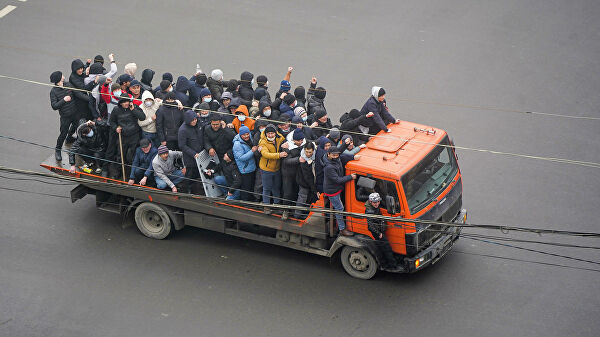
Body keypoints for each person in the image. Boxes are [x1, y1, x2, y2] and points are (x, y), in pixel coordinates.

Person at [322, 146, 357, 236]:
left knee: (339, 207)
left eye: (337, 155)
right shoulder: (328, 167)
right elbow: (337, 180)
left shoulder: (336, 158)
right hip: (332, 191)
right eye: (333, 155)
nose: (336, 156)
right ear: (328, 154)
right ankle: (342, 229)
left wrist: (353, 157)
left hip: (337, 188)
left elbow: (344, 156)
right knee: (339, 208)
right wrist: (350, 177)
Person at [109, 93, 146, 166]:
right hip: (123, 136)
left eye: (127, 101)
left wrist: (133, 110)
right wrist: (116, 128)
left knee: (133, 154)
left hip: (134, 135)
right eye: (124, 102)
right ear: (121, 103)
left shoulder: (134, 107)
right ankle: (119, 171)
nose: (126, 103)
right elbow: (111, 121)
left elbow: (142, 117)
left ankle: (133, 171)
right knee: (121, 155)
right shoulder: (116, 109)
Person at [258, 123, 288, 212]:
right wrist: (279, 155)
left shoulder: (279, 137)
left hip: (277, 168)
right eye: (268, 133)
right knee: (267, 188)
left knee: (276, 187)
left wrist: (285, 145)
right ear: (266, 134)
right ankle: (266, 206)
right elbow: (265, 154)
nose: (270, 135)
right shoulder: (262, 142)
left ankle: (277, 204)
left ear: (275, 133)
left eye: (272, 133)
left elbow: (285, 141)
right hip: (266, 169)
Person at [49, 71, 78, 161]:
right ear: (58, 79)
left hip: (75, 113)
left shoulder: (68, 84)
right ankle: (58, 149)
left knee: (79, 128)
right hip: (65, 116)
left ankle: (69, 138)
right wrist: (64, 100)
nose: (63, 76)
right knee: (63, 133)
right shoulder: (53, 91)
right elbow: (54, 106)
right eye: (61, 75)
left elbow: (76, 93)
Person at [365, 192, 397, 269]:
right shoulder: (370, 211)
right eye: (374, 202)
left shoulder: (375, 207)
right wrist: (379, 233)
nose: (377, 204)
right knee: (386, 248)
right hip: (378, 233)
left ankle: (386, 264)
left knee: (383, 248)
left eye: (378, 202)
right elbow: (370, 226)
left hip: (380, 230)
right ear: (370, 202)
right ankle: (392, 266)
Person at [280, 128, 305, 219]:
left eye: (302, 140)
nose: (301, 142)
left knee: (296, 192)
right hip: (288, 173)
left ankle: (295, 210)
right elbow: (286, 161)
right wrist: (298, 159)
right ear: (293, 140)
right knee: (287, 192)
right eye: (299, 140)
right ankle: (285, 210)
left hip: (297, 173)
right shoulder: (286, 146)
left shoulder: (303, 143)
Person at [178, 110, 204, 194]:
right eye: (192, 120)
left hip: (200, 156)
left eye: (195, 119)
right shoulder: (183, 130)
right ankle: (185, 191)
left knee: (198, 175)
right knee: (189, 176)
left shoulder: (198, 124)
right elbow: (182, 145)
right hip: (190, 158)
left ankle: (197, 190)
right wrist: (193, 154)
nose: (195, 121)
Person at [232, 126, 258, 201]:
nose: (246, 136)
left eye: (247, 134)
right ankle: (245, 202)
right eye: (244, 135)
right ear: (240, 135)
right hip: (245, 169)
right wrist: (252, 151)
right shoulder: (237, 144)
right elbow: (241, 158)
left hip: (252, 167)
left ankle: (251, 200)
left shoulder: (250, 139)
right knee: (246, 187)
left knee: (251, 186)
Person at [294, 142, 318, 219]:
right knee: (302, 198)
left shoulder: (316, 156)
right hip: (303, 181)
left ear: (313, 151)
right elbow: (308, 177)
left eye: (310, 152)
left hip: (311, 181)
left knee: (308, 198)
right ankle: (297, 215)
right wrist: (314, 189)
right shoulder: (303, 160)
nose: (308, 154)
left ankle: (305, 213)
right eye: (306, 152)